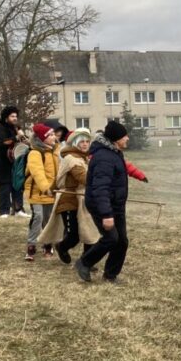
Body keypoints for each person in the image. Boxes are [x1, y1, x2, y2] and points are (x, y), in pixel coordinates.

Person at [74, 121, 131, 283]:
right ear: (116, 139)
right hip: (102, 205)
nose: (127, 138)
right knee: (111, 238)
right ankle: (84, 262)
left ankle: (110, 275)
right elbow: (100, 188)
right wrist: (106, 214)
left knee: (121, 241)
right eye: (124, 136)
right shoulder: (104, 157)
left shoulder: (114, 152)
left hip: (116, 205)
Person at [39, 128, 98, 265]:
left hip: (83, 198)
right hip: (69, 200)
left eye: (87, 141)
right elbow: (83, 178)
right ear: (75, 143)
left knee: (89, 230)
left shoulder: (84, 158)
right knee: (74, 235)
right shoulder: (72, 159)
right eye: (81, 141)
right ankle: (62, 247)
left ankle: (86, 261)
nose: (85, 144)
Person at [23, 122, 59, 261]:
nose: (53, 136)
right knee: (37, 217)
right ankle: (31, 245)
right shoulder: (35, 153)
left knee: (48, 219)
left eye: (53, 134)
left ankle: (47, 244)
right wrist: (46, 188)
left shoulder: (55, 151)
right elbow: (37, 172)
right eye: (50, 135)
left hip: (52, 192)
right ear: (42, 138)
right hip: (37, 192)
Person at [0, 106, 29, 218]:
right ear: (6, 117)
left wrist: (24, 138)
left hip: (16, 163)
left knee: (17, 186)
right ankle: (4, 211)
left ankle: (18, 209)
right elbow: (3, 143)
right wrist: (16, 137)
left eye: (16, 116)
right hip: (3, 163)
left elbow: (23, 142)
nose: (15, 118)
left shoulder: (16, 128)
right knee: (5, 188)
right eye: (12, 116)